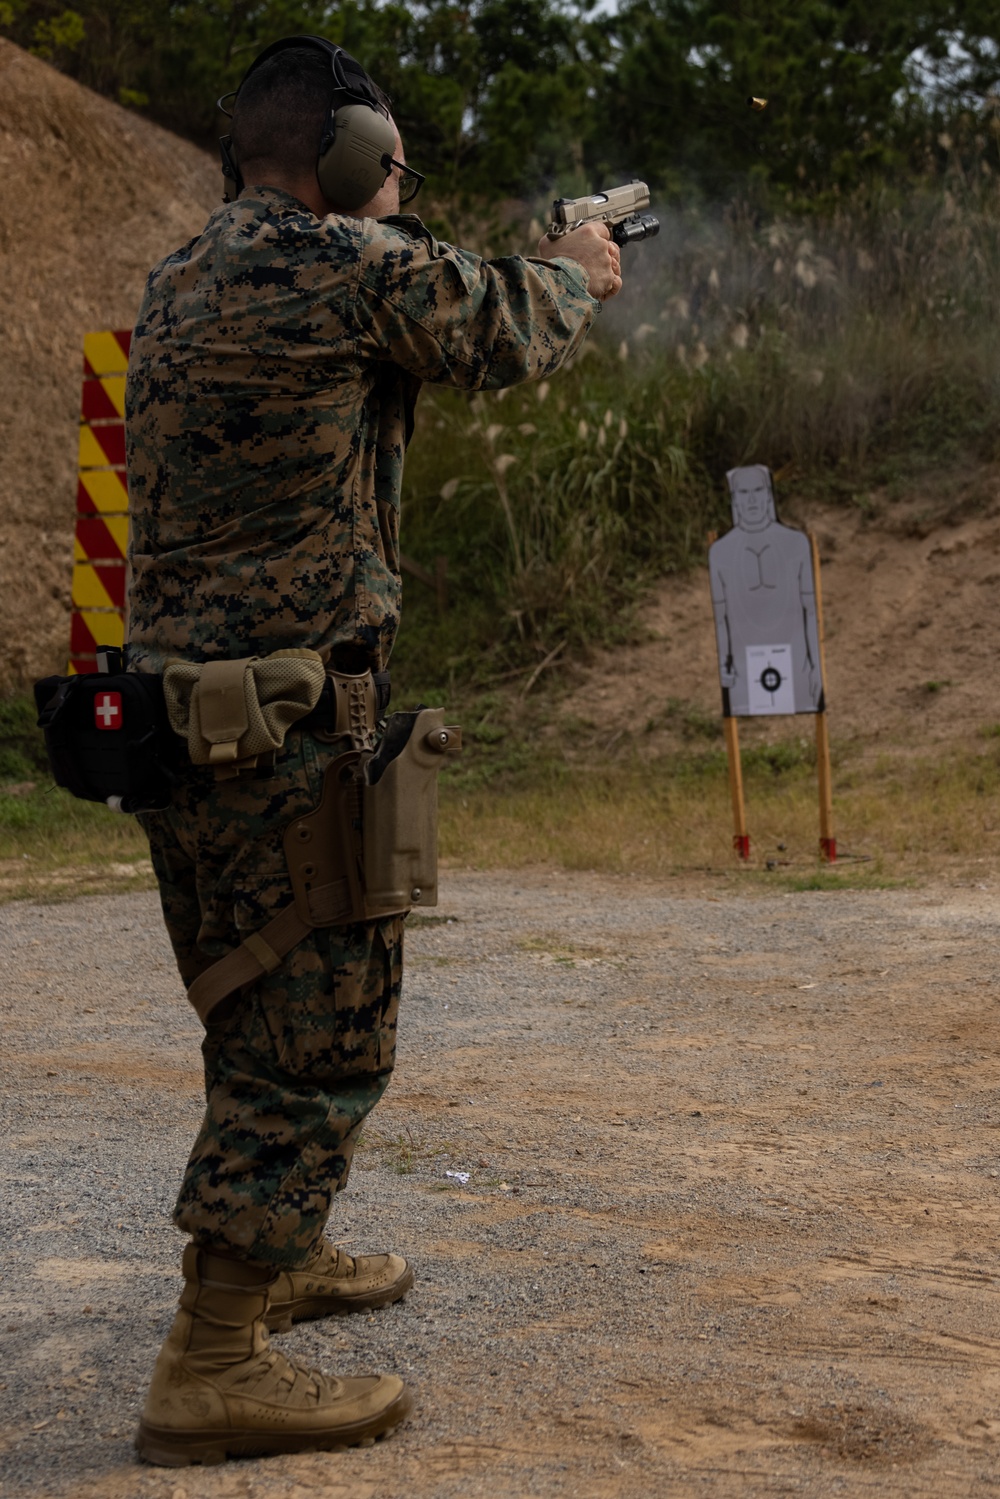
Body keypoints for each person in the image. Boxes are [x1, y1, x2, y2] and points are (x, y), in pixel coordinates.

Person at [124, 34, 622, 1467]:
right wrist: (580, 264)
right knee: (322, 1034)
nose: (401, 193)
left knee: (256, 1006)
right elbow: (504, 328)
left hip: (186, 719)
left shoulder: (183, 271)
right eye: (391, 168)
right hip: (284, 724)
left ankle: (277, 1256)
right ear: (341, 157)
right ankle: (211, 1359)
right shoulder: (339, 263)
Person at [708, 464, 823, 717]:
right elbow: (721, 619)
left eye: (758, 490)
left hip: (795, 659)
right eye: (743, 492)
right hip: (744, 662)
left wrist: (816, 667)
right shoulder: (721, 552)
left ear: (768, 495)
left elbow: (809, 611)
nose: (751, 499)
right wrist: (724, 664)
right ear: (734, 499)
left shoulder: (795, 543)